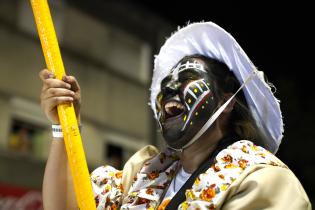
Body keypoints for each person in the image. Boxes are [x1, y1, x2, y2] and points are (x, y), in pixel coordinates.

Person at [39, 22, 311, 210]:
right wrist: (64, 125)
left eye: (188, 78)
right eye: (167, 82)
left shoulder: (261, 181)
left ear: (226, 102)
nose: (168, 87)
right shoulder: (142, 174)